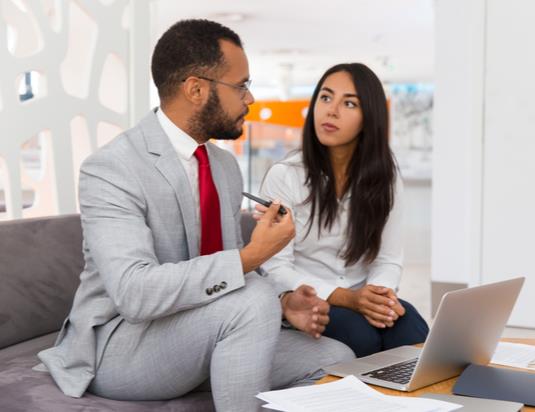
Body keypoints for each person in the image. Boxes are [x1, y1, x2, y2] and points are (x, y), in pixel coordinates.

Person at [37, 19, 353, 412]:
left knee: (335, 358)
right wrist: (252, 257)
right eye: (241, 86)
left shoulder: (222, 165)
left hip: (202, 329)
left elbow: (227, 272)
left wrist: (284, 301)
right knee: (250, 298)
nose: (250, 98)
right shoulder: (111, 168)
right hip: (122, 344)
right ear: (196, 89)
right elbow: (135, 294)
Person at [258, 63, 429, 358]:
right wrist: (348, 299)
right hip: (308, 301)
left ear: (369, 118)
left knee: (412, 330)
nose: (331, 111)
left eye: (349, 103)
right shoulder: (285, 176)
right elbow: (276, 269)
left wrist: (377, 298)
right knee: (360, 336)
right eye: (325, 98)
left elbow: (388, 260)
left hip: (360, 294)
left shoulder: (386, 181)